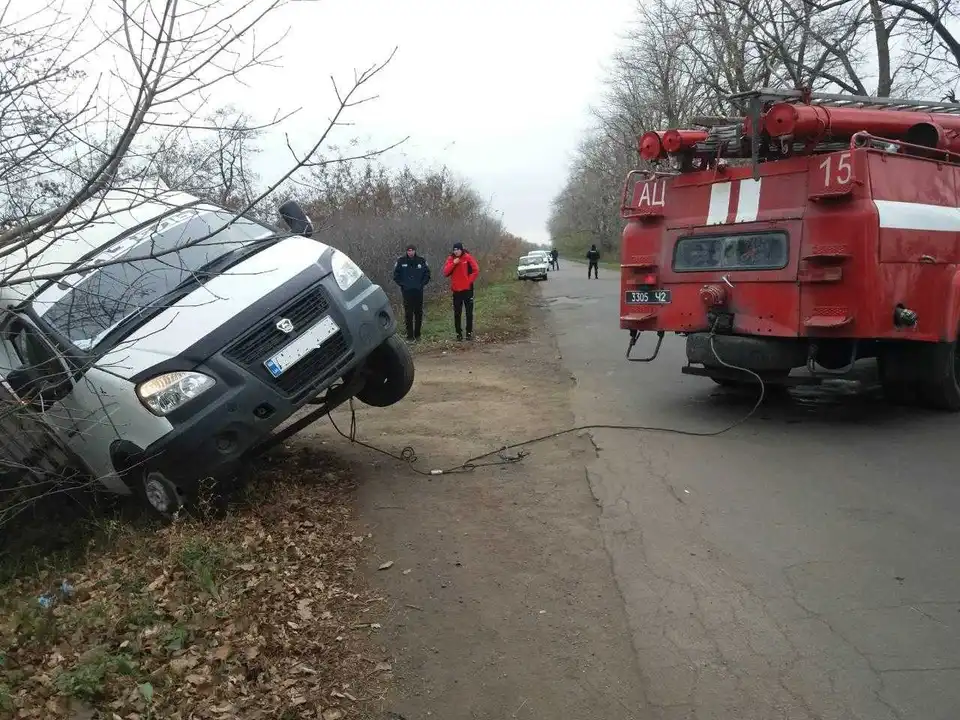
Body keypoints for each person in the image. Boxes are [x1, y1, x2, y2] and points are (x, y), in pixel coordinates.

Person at [442, 242, 480, 341]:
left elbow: (476, 270)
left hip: (467, 290)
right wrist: (454, 263)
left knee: (469, 312)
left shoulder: (467, 257)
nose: (456, 251)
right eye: (454, 250)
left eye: (458, 249)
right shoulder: (451, 259)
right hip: (456, 290)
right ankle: (458, 334)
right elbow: (445, 272)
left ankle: (469, 333)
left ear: (461, 249)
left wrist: (469, 281)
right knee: (457, 313)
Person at [392, 243, 431, 341]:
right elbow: (396, 275)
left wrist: (422, 284)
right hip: (407, 292)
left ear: (415, 251)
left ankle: (417, 335)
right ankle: (409, 335)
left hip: (418, 291)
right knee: (408, 313)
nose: (410, 252)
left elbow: (427, 274)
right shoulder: (401, 261)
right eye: (409, 251)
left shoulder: (421, 261)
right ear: (406, 251)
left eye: (412, 250)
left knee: (418, 312)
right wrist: (403, 285)